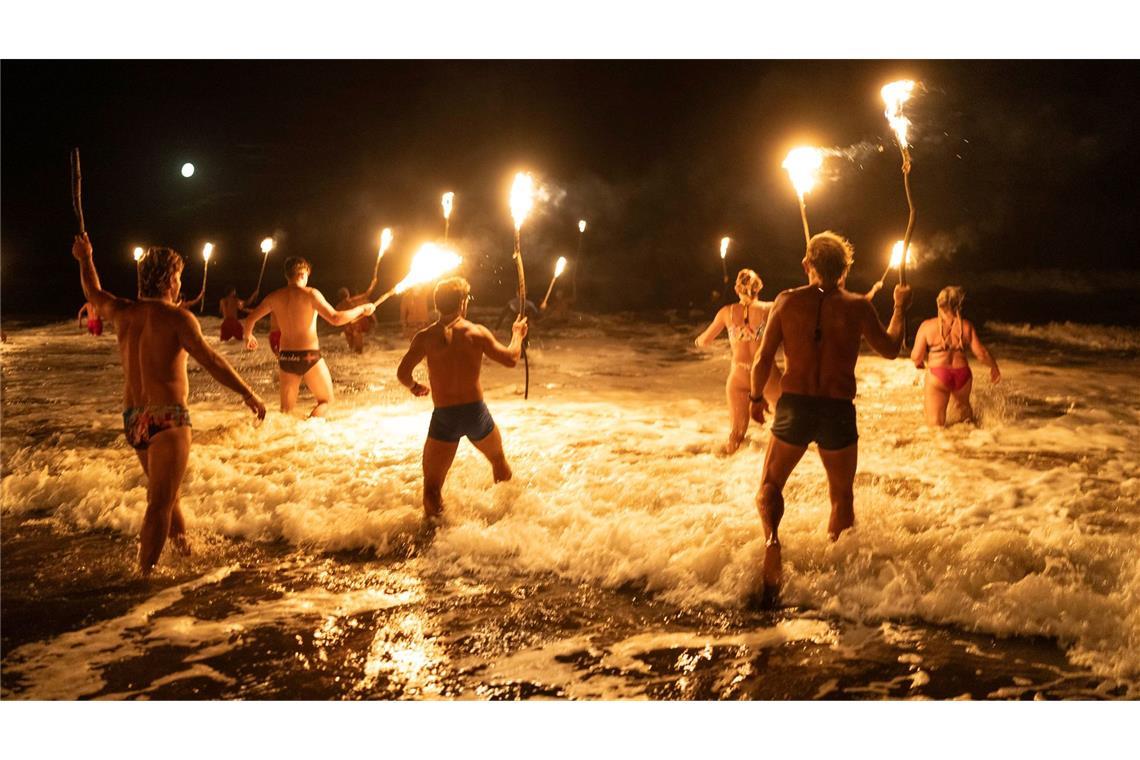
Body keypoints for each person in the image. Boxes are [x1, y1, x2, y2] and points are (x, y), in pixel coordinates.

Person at [70, 235, 266, 575]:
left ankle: (185, 551)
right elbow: (212, 361)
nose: (179, 284)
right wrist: (248, 392)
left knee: (168, 496)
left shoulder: (122, 311)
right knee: (159, 504)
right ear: (166, 280)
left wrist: (85, 257)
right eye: (177, 277)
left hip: (134, 420)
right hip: (168, 418)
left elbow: (93, 294)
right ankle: (143, 578)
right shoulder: (177, 318)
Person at [749, 231, 912, 607]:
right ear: (845, 270)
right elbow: (890, 349)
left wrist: (756, 398)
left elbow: (761, 360)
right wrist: (900, 308)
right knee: (841, 497)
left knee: (771, 485)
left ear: (807, 265)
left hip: (796, 405)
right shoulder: (858, 306)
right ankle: (839, 580)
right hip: (837, 410)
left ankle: (772, 540)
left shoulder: (787, 302)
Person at [396, 277, 528, 521]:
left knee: (432, 488)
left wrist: (415, 387)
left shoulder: (425, 337)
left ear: (437, 304)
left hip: (445, 417)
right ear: (463, 303)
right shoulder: (475, 332)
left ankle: (440, 537)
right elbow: (511, 358)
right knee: (498, 462)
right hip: (476, 414)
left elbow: (402, 374)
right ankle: (509, 519)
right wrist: (517, 334)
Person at [242, 256, 375, 417]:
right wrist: (362, 309)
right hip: (309, 356)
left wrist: (248, 336)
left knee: (286, 413)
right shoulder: (311, 294)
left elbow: (250, 319)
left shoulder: (274, 297)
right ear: (303, 273)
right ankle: (309, 430)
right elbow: (336, 318)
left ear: (287, 275)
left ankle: (286, 439)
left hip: (286, 358)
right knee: (326, 401)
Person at [694, 269, 782, 455]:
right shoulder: (771, 308)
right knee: (789, 425)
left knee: (736, 433)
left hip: (739, 375)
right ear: (759, 288)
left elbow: (704, 341)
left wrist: (698, 340)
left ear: (736, 289)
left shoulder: (726, 312)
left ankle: (724, 466)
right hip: (766, 374)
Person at [910, 286, 1001, 426]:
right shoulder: (966, 326)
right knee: (965, 421)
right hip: (963, 375)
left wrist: (919, 364)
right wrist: (993, 367)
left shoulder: (927, 326)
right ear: (958, 304)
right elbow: (981, 354)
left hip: (938, 374)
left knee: (935, 425)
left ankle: (947, 447)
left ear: (938, 303)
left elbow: (916, 356)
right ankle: (973, 443)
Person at [336, 284, 377, 354]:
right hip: (355, 327)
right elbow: (366, 294)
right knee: (358, 351)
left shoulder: (338, 307)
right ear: (348, 294)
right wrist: (373, 285)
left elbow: (337, 320)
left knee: (352, 350)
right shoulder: (352, 301)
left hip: (347, 328)